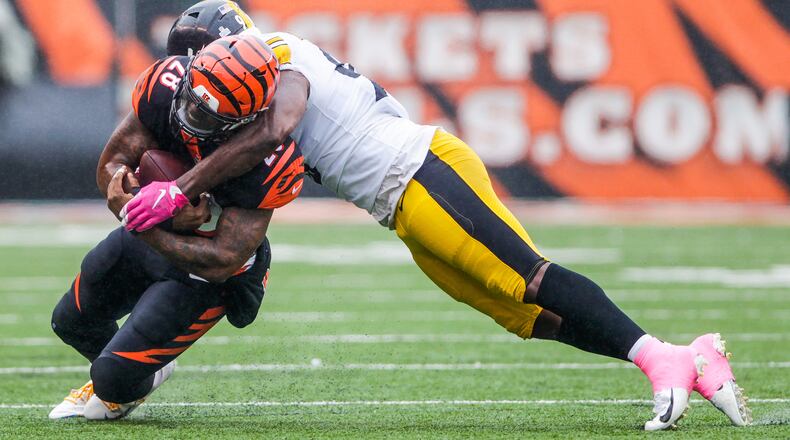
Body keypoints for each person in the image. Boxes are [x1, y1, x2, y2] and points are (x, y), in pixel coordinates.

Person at [121, 2, 751, 430]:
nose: (198, 84)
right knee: (523, 314)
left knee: (525, 275)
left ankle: (654, 358)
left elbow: (274, 130)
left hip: (420, 171)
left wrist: (178, 194)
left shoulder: (281, 58)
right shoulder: (253, 87)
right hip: (397, 206)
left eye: (203, 66)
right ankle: (683, 357)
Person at [48, 33, 304, 420]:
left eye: (206, 116)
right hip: (156, 237)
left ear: (247, 122)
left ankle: (121, 381)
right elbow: (111, 165)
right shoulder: (167, 86)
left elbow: (222, 258)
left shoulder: (270, 161)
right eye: (190, 101)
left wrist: (146, 221)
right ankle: (139, 367)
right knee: (70, 321)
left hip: (209, 275)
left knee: (111, 379)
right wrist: (137, 201)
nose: (189, 116)